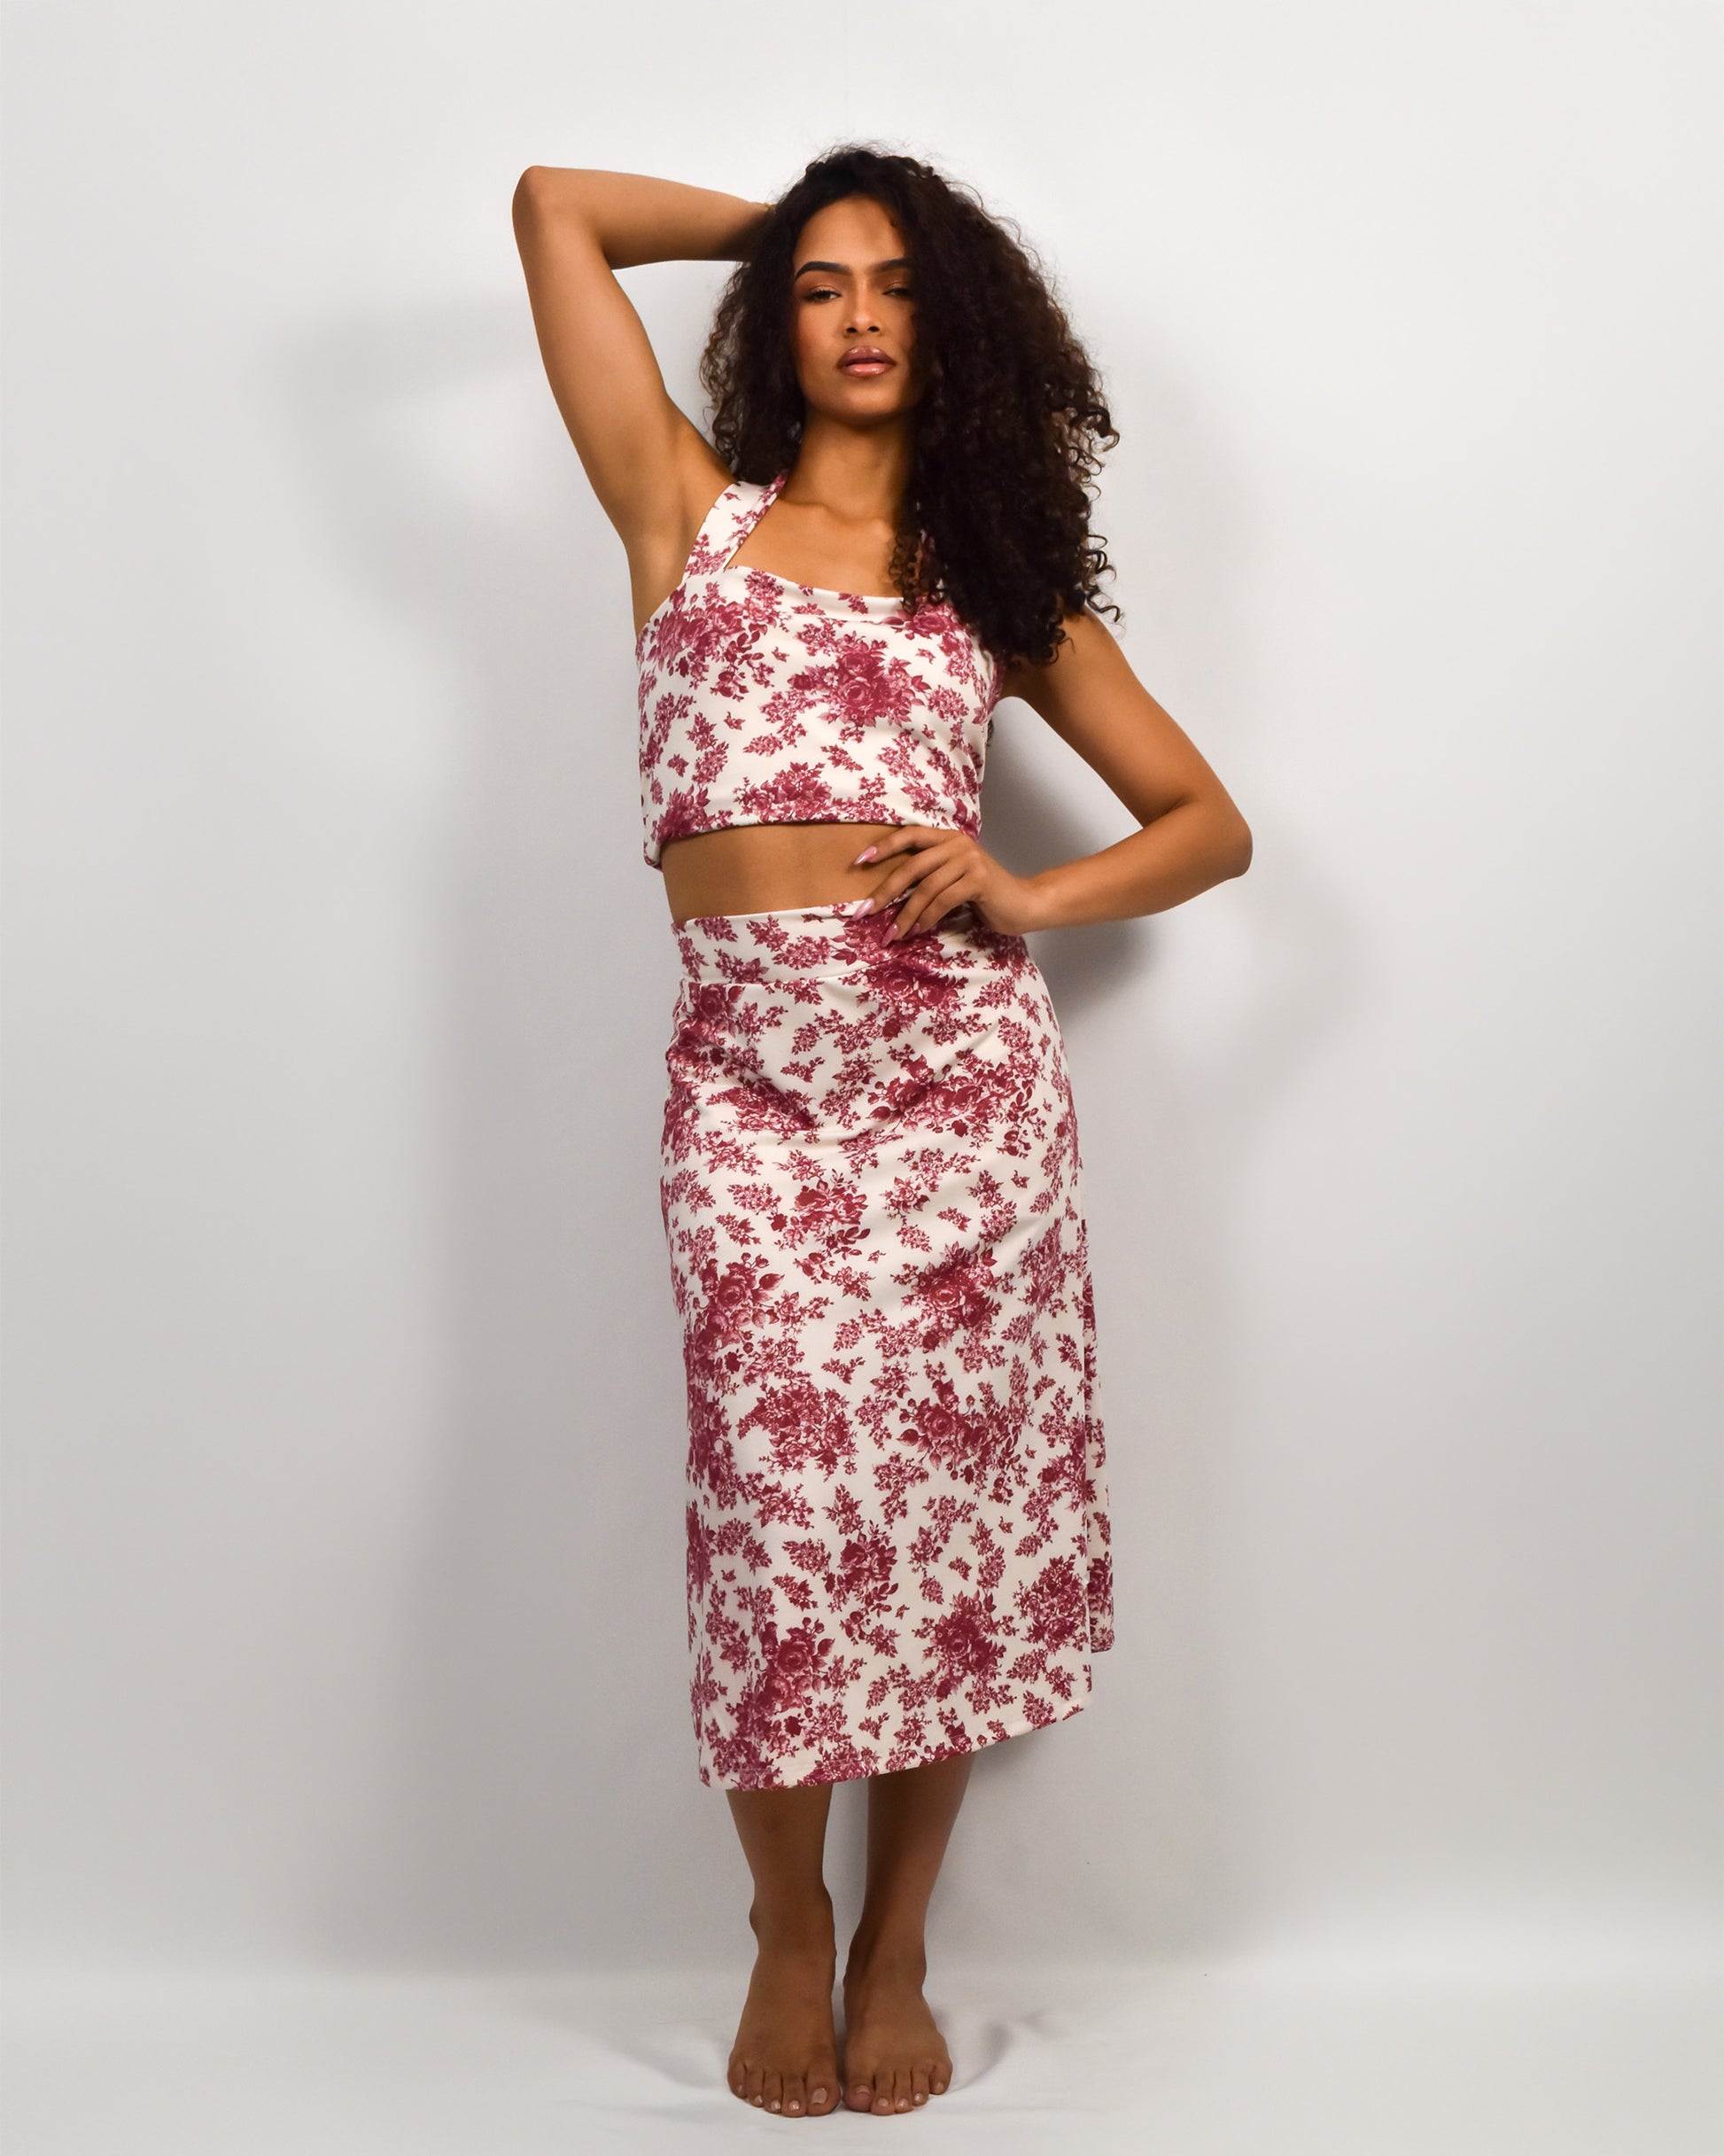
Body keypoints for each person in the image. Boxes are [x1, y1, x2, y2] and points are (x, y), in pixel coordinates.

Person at [511, 144, 1252, 2121]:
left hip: (956, 1106)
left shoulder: (982, 582)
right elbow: (554, 206)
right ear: (778, 317)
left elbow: (1206, 822)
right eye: (824, 283)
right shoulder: (686, 511)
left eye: (905, 285)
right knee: (776, 1514)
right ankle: (783, 1920)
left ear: (958, 330)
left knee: (944, 1524)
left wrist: (1028, 890)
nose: (859, 316)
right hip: (749, 1101)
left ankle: (897, 1939)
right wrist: (791, 215)